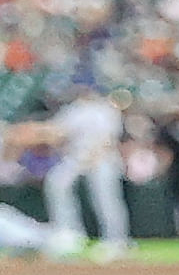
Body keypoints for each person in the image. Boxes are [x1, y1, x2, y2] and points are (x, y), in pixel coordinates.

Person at [53, 83, 132, 260]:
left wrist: (92, 156)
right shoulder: (73, 110)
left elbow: (109, 140)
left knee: (106, 198)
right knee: (57, 183)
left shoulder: (106, 110)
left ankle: (116, 240)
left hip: (102, 158)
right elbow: (58, 134)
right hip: (77, 157)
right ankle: (69, 234)